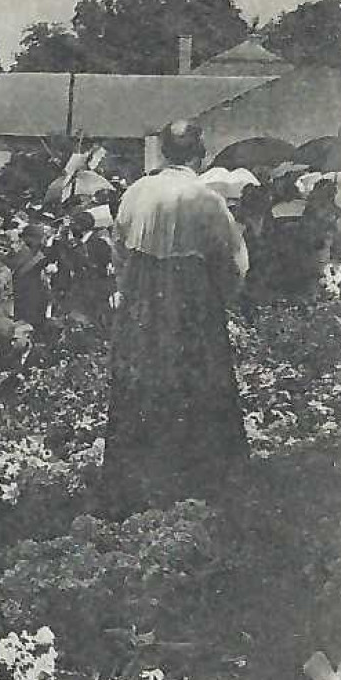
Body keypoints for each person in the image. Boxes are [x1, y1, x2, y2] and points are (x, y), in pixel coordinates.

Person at [101, 121, 249, 514]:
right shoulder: (207, 199)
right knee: (197, 381)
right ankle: (198, 481)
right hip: (192, 303)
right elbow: (234, 262)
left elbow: (118, 251)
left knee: (142, 382)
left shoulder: (136, 193)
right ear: (199, 155)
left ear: (164, 152)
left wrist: (134, 286)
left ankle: (137, 481)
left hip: (144, 306)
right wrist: (218, 296)